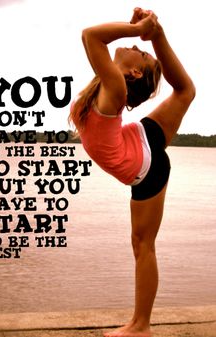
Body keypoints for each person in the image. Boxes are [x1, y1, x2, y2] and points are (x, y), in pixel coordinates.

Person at [69, 7, 195, 337]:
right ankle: (162, 36)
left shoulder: (116, 88)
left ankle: (141, 326)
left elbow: (90, 35)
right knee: (185, 93)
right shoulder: (109, 83)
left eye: (142, 51)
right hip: (140, 138)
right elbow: (99, 40)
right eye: (142, 48)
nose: (137, 47)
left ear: (135, 74)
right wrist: (150, 32)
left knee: (143, 245)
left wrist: (136, 28)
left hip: (147, 168)